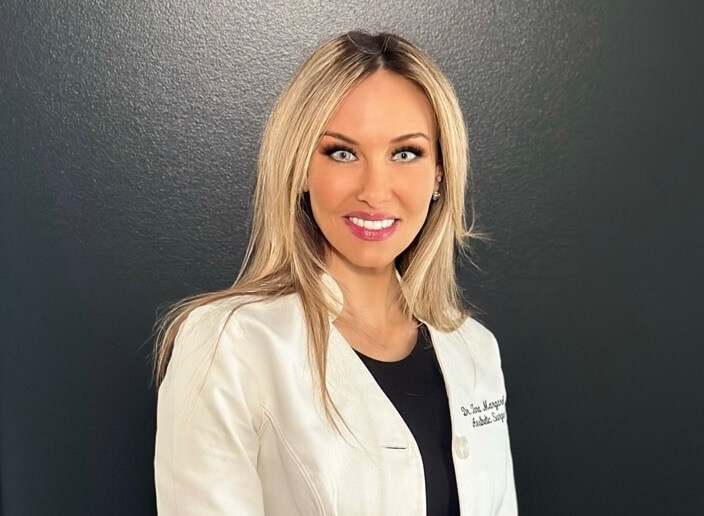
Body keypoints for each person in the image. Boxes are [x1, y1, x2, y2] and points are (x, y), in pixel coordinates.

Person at [152, 30, 517, 515]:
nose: (375, 190)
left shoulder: (475, 351)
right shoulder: (228, 345)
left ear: (440, 174)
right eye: (342, 153)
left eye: (405, 153)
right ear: (301, 167)